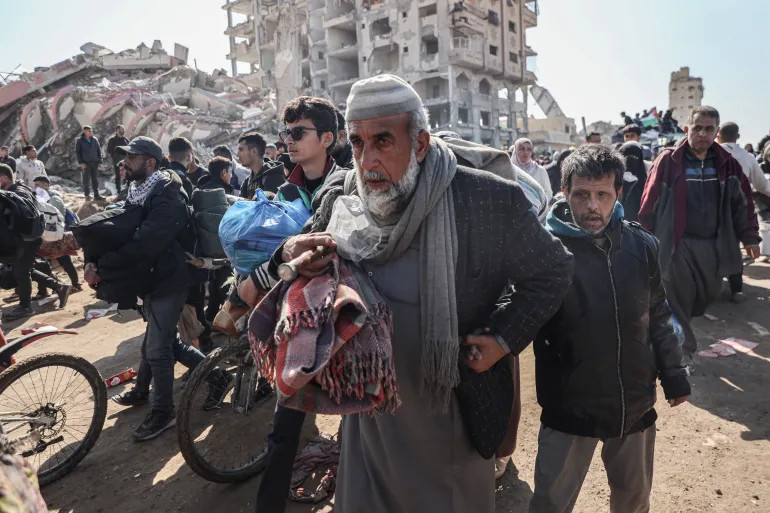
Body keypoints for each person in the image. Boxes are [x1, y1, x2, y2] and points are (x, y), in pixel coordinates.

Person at [276, 74, 573, 513]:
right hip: (370, 417)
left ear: (419, 144)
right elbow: (300, 252)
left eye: (383, 141)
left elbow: (553, 269)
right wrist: (297, 256)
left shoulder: (487, 200)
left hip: (451, 412)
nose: (368, 160)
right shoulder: (343, 198)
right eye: (357, 144)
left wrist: (503, 340)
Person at [530, 144, 690, 513]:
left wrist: (674, 374)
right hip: (568, 407)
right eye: (581, 195)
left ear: (618, 194)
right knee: (550, 503)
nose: (592, 206)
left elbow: (659, 314)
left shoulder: (641, 246)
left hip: (632, 403)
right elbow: (518, 309)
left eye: (602, 195)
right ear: (565, 192)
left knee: (633, 501)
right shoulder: (544, 250)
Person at [90, 136, 228, 441]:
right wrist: (93, 256)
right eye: (124, 157)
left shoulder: (168, 193)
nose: (123, 163)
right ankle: (218, 377)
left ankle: (163, 412)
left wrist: (106, 265)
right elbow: (117, 227)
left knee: (158, 347)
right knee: (168, 343)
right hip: (152, 279)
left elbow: (146, 240)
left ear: (150, 163)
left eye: (131, 157)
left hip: (171, 278)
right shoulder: (137, 191)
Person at [252, 95, 348, 513]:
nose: (288, 141)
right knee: (284, 424)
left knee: (357, 415)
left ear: (327, 138)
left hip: (340, 317)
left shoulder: (347, 184)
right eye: (285, 133)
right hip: (293, 319)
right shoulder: (281, 186)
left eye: (298, 133)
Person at [639, 106, 761, 359]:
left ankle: (678, 333)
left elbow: (744, 201)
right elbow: (649, 201)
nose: (702, 134)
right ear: (687, 129)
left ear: (717, 133)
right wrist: (643, 238)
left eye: (709, 129)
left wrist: (749, 235)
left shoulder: (728, 165)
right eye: (697, 128)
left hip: (713, 245)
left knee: (709, 293)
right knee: (678, 298)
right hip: (677, 244)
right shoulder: (669, 160)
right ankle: (682, 353)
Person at [0, 164, 71, 320]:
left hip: (26, 239)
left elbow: (23, 216)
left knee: (21, 271)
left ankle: (25, 307)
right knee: (25, 269)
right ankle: (59, 287)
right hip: (28, 238)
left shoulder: (16, 193)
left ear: (3, 178)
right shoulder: (19, 190)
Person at [718, 122, 770, 302]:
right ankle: (736, 289)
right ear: (738, 137)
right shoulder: (748, 157)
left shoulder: (709, 154)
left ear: (718, 135)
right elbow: (763, 185)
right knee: (734, 248)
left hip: (711, 209)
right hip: (739, 209)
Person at [32, 176, 82, 292]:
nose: (36, 188)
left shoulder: (54, 199)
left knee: (65, 261)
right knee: (45, 264)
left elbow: (53, 218)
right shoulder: (43, 199)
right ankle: (48, 289)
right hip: (48, 236)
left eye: (38, 185)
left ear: (46, 185)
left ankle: (75, 284)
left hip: (58, 237)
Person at [237, 131, 285, 200]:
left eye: (241, 150)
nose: (237, 154)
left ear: (254, 151)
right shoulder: (247, 181)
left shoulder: (273, 177)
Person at [618, 141, 647, 222]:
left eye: (634, 156)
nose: (631, 159)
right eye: (627, 156)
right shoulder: (612, 180)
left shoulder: (647, 183)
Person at [75, 126, 103, 200]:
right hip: (85, 164)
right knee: (86, 180)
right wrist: (80, 163)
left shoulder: (95, 140)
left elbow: (99, 151)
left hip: (95, 163)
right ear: (84, 132)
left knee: (95, 179)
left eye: (91, 131)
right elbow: (78, 153)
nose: (91, 132)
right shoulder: (80, 141)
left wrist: (100, 161)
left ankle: (96, 195)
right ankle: (87, 195)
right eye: (89, 131)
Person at [106, 125, 129, 194]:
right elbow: (109, 151)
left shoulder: (126, 140)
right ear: (117, 130)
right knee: (118, 176)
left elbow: (129, 150)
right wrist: (114, 158)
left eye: (124, 129)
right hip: (117, 161)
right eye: (121, 129)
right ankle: (118, 191)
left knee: (127, 176)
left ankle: (126, 190)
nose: (123, 131)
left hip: (126, 162)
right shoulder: (112, 140)